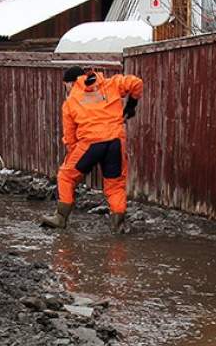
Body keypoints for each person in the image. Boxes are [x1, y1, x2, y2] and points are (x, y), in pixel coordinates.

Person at [41, 66, 143, 234]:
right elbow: (136, 83)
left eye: (66, 84)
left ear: (72, 82)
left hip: (90, 144)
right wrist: (131, 106)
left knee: (65, 176)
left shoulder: (71, 100)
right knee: (115, 185)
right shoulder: (111, 84)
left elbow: (70, 136)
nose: (66, 88)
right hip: (115, 141)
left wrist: (77, 160)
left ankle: (60, 218)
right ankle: (118, 225)